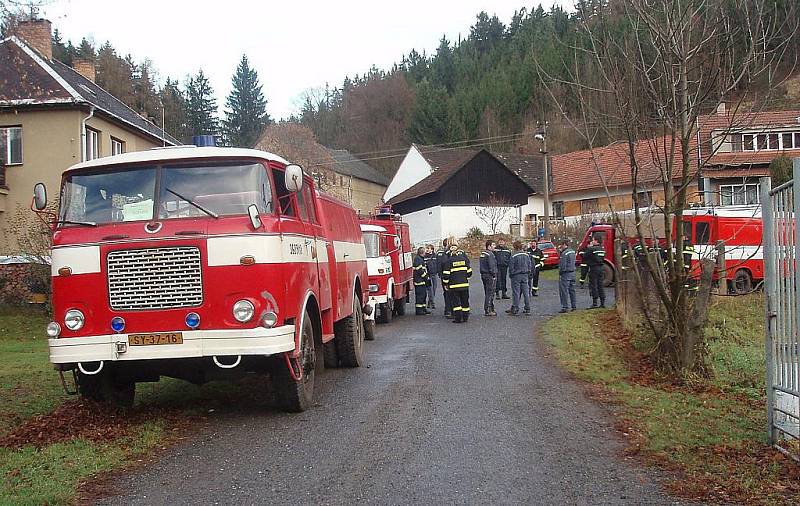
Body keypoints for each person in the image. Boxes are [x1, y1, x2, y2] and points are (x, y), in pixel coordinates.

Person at [442, 240, 472, 323]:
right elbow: (469, 273)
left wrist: (445, 283)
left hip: (454, 286)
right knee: (465, 302)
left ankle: (458, 318)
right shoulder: (464, 260)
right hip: (464, 285)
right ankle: (465, 317)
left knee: (456, 303)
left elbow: (446, 275)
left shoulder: (449, 261)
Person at [580, 235, 607, 308]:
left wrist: (589, 248)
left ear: (596, 241)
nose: (592, 241)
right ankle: (602, 303)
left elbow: (584, 256)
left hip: (593, 268)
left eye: (593, 240)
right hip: (601, 268)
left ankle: (595, 303)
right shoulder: (602, 249)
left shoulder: (591, 249)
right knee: (600, 285)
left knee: (593, 285)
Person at [506, 241, 531, 316]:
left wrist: (511, 274)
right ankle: (527, 308)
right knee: (526, 292)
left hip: (516, 275)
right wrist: (528, 272)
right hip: (525, 275)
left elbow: (511, 267)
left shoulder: (513, 255)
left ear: (514, 247)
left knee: (516, 293)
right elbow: (529, 265)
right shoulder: (526, 255)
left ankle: (515, 309)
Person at [557, 240, 577, 313]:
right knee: (572, 291)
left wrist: (560, 272)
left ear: (564, 244)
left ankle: (565, 307)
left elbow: (562, 265)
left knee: (564, 291)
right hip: (573, 273)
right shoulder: (573, 251)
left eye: (561, 245)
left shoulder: (564, 254)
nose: (560, 246)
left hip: (565, 274)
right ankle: (574, 306)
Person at [480, 239, 498, 316]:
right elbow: (491, 266)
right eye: (493, 245)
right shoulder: (490, 254)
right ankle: (488, 309)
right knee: (490, 293)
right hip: (489, 275)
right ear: (489, 246)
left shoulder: (483, 254)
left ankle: (490, 307)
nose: (495, 246)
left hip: (483, 274)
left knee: (487, 292)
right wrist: (494, 275)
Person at [436, 239, 453, 317]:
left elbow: (438, 265)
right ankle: (449, 310)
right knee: (449, 293)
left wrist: (440, 275)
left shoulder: (439, 253)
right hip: (449, 276)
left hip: (443, 276)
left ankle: (448, 310)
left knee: (447, 293)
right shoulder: (447, 254)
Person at [413, 247, 431, 315]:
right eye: (425, 252)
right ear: (422, 252)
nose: (426, 253)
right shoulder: (418, 259)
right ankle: (419, 310)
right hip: (419, 281)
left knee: (423, 295)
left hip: (422, 281)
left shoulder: (420, 259)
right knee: (420, 296)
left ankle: (423, 308)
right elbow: (419, 270)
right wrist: (426, 277)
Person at [424, 244, 438, 308]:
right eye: (427, 248)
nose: (427, 249)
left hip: (434, 274)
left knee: (434, 289)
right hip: (428, 275)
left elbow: (438, 264)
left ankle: (430, 301)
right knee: (430, 289)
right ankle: (432, 303)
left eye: (428, 248)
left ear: (432, 249)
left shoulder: (435, 256)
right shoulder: (425, 257)